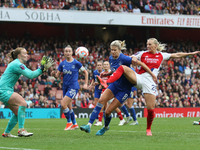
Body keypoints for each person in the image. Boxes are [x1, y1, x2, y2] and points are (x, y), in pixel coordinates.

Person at [100, 38, 200, 136]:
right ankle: (109, 83)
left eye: (150, 44)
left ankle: (148, 129)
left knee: (150, 109)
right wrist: (134, 58)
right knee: (124, 68)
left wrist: (191, 53)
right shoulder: (142, 53)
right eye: (147, 44)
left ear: (156, 46)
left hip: (150, 82)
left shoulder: (161, 55)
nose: (148, 46)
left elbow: (176, 55)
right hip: (138, 78)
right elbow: (127, 58)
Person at [80, 40, 156, 135]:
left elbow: (141, 63)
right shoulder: (111, 58)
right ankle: (89, 125)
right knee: (100, 101)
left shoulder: (125, 58)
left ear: (120, 50)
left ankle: (105, 127)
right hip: (115, 85)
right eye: (111, 50)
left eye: (115, 50)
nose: (113, 52)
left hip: (124, 90)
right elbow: (114, 71)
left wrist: (152, 74)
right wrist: (107, 74)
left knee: (107, 112)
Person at [1, 47, 53, 138]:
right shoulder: (17, 64)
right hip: (4, 90)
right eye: (25, 53)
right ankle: (21, 130)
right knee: (23, 103)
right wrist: (42, 68)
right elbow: (31, 75)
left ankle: (6, 133)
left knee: (17, 113)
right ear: (19, 55)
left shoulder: (17, 63)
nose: (27, 55)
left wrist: (42, 68)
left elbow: (32, 74)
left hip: (3, 90)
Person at [51, 45, 88, 130]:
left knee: (63, 104)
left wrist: (86, 84)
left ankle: (69, 122)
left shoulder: (76, 63)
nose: (67, 53)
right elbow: (57, 76)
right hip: (65, 87)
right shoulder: (62, 64)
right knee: (69, 107)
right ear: (64, 53)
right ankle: (75, 124)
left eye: (69, 51)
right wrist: (53, 75)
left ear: (72, 52)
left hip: (73, 87)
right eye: (66, 51)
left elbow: (86, 72)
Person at [95, 61, 126, 126]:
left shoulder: (111, 73)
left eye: (107, 64)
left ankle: (122, 119)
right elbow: (102, 82)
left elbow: (113, 82)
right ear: (103, 66)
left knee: (114, 106)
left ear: (109, 66)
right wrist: (100, 85)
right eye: (105, 64)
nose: (106, 65)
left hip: (110, 92)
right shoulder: (102, 74)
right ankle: (100, 122)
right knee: (101, 106)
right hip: (103, 91)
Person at [88, 61, 103, 125]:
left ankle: (100, 121)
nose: (99, 66)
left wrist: (100, 83)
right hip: (97, 89)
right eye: (98, 65)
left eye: (100, 65)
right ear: (96, 66)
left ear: (102, 66)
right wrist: (91, 85)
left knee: (101, 105)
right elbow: (93, 80)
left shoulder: (104, 73)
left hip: (103, 89)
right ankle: (97, 119)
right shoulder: (95, 72)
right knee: (95, 104)